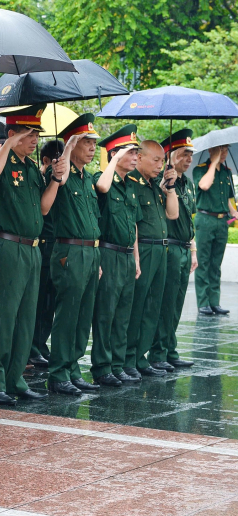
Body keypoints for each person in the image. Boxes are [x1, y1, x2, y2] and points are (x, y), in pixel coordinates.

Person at [0, 104, 58, 406]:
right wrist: (9, 143)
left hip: (32, 248)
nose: (35, 139)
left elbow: (43, 208)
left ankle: (15, 379)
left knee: (26, 318)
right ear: (13, 134)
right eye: (28, 134)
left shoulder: (29, 166)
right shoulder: (3, 160)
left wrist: (55, 180)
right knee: (3, 317)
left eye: (36, 134)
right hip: (7, 246)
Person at [42, 114, 101, 396]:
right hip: (69, 251)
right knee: (67, 314)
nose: (92, 148)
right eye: (86, 142)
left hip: (90, 252)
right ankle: (58, 373)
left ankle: (73, 368)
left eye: (93, 143)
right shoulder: (59, 171)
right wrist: (66, 149)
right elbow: (58, 179)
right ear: (72, 144)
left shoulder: (87, 177)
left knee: (82, 315)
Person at [91, 125, 143, 386]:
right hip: (108, 254)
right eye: (130, 152)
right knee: (106, 313)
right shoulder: (102, 179)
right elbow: (102, 187)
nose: (136, 157)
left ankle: (118, 364)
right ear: (115, 154)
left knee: (123, 315)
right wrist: (111, 161)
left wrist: (136, 258)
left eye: (136, 152)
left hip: (126, 256)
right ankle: (102, 366)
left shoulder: (132, 186)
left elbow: (133, 224)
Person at [123, 140, 179, 380]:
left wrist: (171, 187)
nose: (160, 165)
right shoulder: (133, 183)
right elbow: (134, 223)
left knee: (153, 306)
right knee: (138, 306)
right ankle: (128, 357)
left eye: (162, 161)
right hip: (144, 249)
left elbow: (173, 214)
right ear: (141, 158)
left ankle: (140, 356)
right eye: (155, 160)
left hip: (161, 250)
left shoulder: (156, 185)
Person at [149, 130, 197, 369]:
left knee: (177, 303)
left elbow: (190, 219)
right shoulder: (163, 181)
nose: (189, 159)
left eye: (191, 154)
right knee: (165, 303)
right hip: (169, 248)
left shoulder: (187, 183)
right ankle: (158, 354)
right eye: (184, 154)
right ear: (169, 155)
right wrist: (166, 184)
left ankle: (170, 349)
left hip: (185, 249)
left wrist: (194, 250)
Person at [29, 139, 63, 369]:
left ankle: (41, 345)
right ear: (46, 161)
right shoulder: (41, 179)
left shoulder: (60, 181)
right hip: (41, 244)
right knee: (38, 301)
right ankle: (33, 347)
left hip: (56, 246)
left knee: (49, 302)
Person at [193, 144, 238, 315]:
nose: (223, 153)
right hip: (205, 219)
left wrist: (233, 212)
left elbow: (227, 198)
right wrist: (213, 163)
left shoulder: (226, 172)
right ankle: (203, 302)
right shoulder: (200, 170)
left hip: (221, 221)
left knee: (216, 264)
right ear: (211, 151)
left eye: (226, 150)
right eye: (220, 150)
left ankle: (214, 302)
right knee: (203, 263)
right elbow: (204, 185)